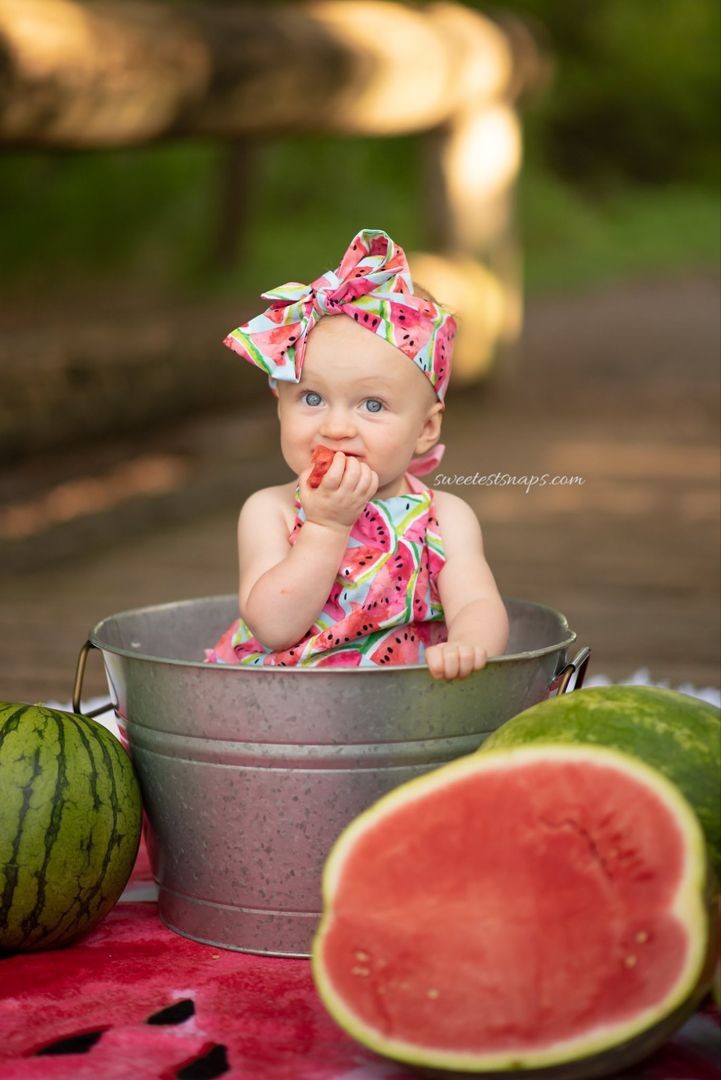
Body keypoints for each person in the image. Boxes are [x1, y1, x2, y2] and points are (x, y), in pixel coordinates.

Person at [205, 228, 509, 679]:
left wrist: (468, 644)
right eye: (311, 398)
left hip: (407, 705)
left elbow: (478, 603)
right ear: (279, 407)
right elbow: (273, 627)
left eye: (372, 405)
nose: (336, 427)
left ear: (425, 428)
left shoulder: (446, 516)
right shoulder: (269, 511)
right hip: (281, 701)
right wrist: (326, 526)